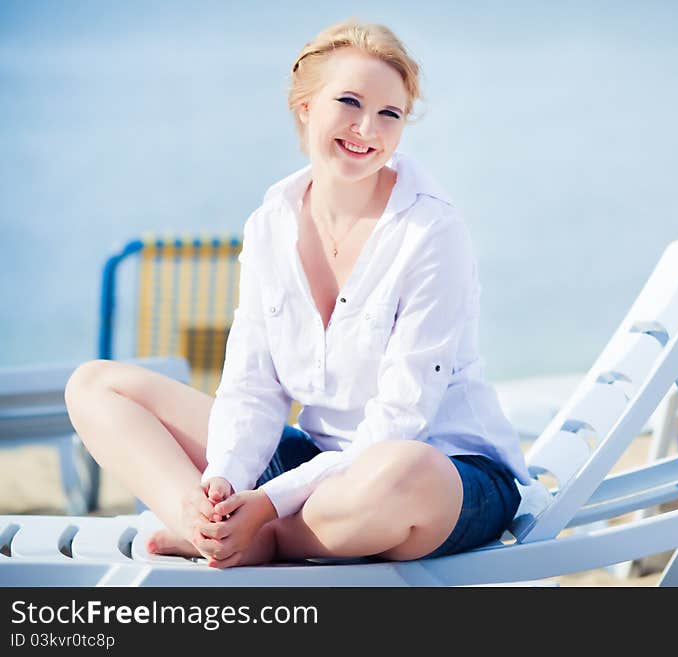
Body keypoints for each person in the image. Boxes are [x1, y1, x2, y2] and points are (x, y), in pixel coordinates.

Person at [64, 18, 531, 569]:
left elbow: (402, 422)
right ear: (305, 105)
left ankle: (270, 540)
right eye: (350, 102)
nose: (367, 129)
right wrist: (224, 484)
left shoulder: (431, 231)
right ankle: (205, 527)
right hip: (318, 473)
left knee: (402, 471)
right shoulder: (270, 224)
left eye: (390, 114)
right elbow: (252, 386)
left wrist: (265, 504)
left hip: (442, 476)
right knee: (96, 385)